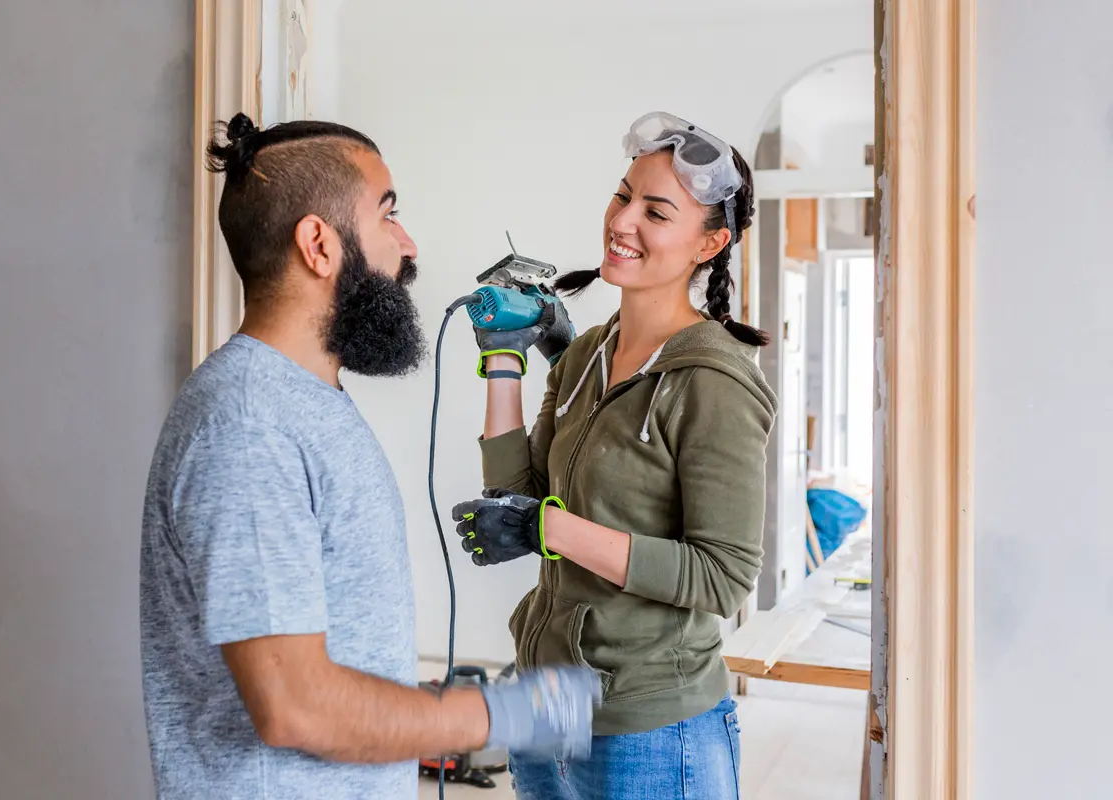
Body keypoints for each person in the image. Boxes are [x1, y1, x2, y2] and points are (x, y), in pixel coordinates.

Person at [138, 113, 600, 800]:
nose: (408, 245)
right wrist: (497, 713)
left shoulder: (306, 404)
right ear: (318, 245)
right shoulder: (247, 426)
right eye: (389, 215)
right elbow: (293, 704)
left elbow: (323, 663)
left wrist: (415, 703)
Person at [451, 111, 778, 799]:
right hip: (548, 703)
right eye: (623, 194)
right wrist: (505, 361)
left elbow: (723, 577)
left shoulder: (713, 384)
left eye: (656, 212)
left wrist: (551, 529)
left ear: (709, 244)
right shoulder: (588, 352)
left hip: (652, 727)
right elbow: (517, 489)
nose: (623, 221)